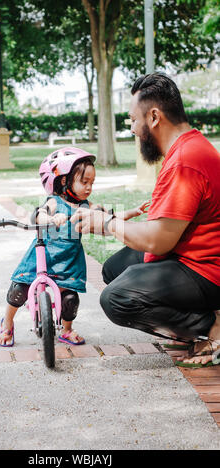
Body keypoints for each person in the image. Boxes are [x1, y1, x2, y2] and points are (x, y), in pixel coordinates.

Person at [70, 72, 220, 368]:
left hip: (207, 269)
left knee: (117, 299)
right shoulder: (189, 147)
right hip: (190, 254)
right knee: (115, 269)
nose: (133, 129)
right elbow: (161, 229)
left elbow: (158, 239)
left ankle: (210, 327)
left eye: (133, 119)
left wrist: (106, 223)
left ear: (153, 117)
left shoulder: (185, 161)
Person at [0, 147, 149, 347]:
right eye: (84, 182)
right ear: (63, 181)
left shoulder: (86, 206)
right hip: (43, 256)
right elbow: (38, 215)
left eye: (91, 183)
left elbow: (109, 215)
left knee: (70, 300)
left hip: (69, 260)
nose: (88, 188)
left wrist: (132, 212)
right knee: (19, 290)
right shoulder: (54, 202)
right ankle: (7, 323)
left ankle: (66, 330)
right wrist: (51, 218)